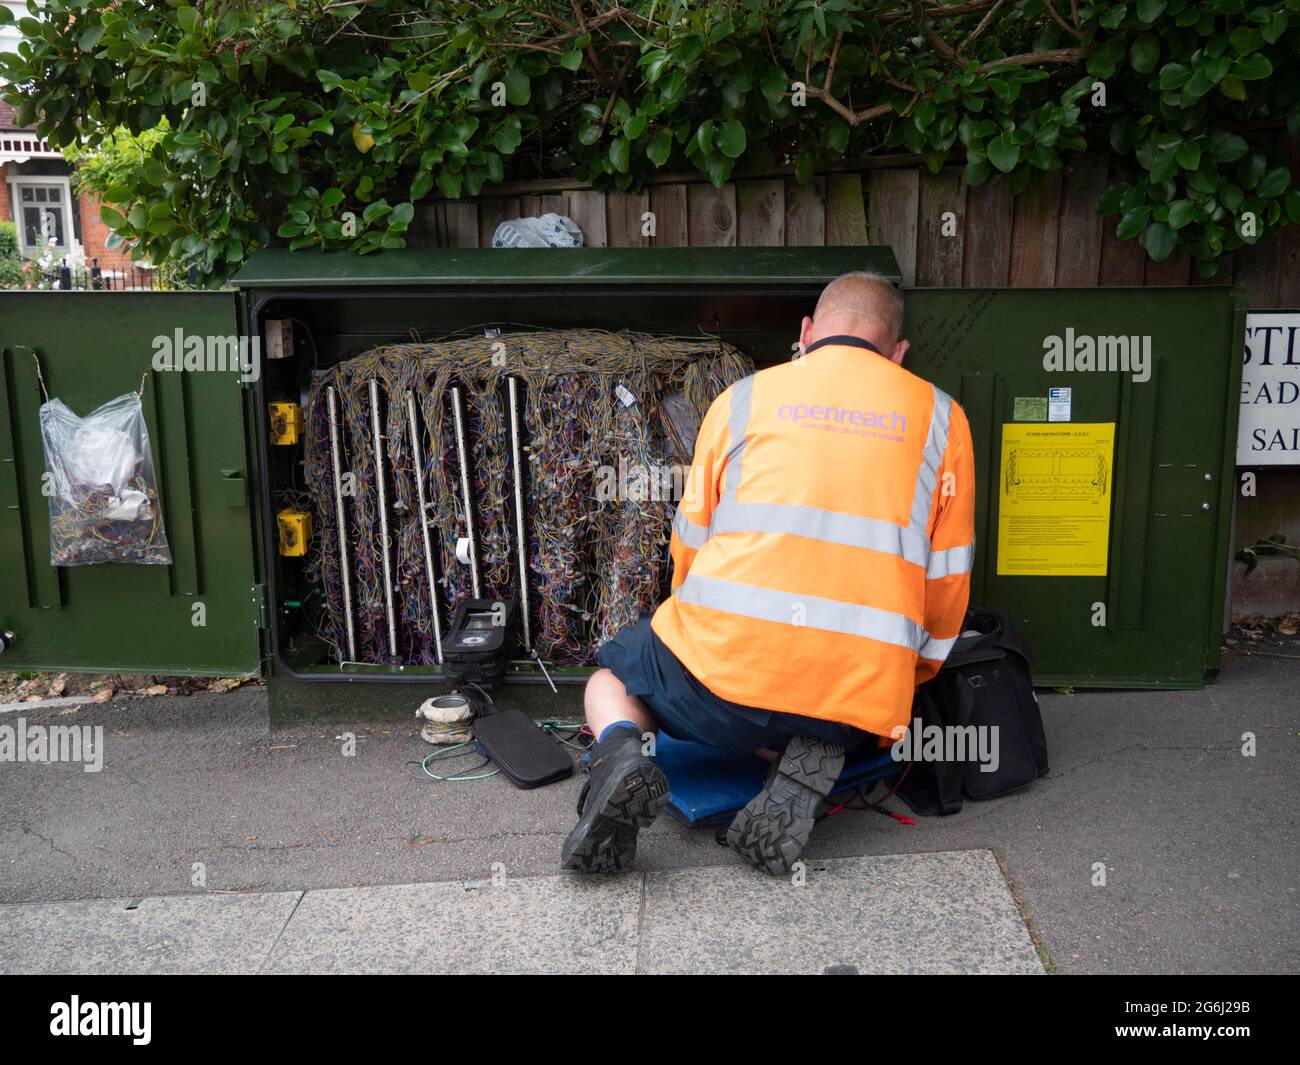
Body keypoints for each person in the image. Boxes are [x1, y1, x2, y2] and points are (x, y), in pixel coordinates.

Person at [561, 272, 976, 876]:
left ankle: (622, 755)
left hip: (719, 680)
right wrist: (906, 680)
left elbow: (691, 542)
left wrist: (697, 634)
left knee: (615, 674)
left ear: (805, 334)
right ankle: (809, 752)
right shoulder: (944, 419)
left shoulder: (744, 399)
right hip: (856, 701)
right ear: (898, 353)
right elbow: (947, 580)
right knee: (829, 707)